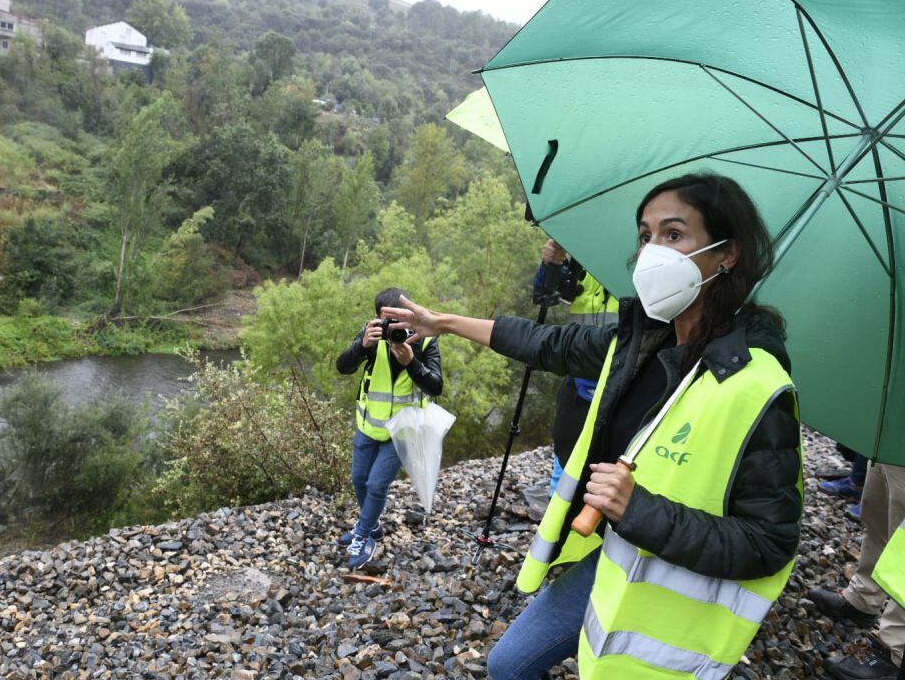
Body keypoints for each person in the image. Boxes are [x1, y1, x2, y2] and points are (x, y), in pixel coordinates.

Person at [383, 173, 803, 679]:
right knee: (508, 664)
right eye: (646, 236)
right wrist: (444, 323)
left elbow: (769, 543)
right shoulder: (640, 341)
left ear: (726, 254)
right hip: (611, 557)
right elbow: (542, 343)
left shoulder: (757, 386)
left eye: (674, 235)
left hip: (670, 605)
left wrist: (639, 509)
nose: (652, 253)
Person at [335, 287, 443, 570]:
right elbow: (342, 367)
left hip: (404, 430)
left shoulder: (426, 340)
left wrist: (412, 362)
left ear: (409, 317)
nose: (392, 328)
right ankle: (372, 524)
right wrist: (361, 347)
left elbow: (436, 387)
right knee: (359, 479)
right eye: (387, 321)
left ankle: (364, 536)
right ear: (378, 318)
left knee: (376, 484)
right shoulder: (370, 334)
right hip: (370, 425)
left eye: (398, 322)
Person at [523, 241, 619, 515]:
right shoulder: (583, 260)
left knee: (606, 462)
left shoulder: (638, 266)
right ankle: (557, 520)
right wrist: (550, 264)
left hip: (620, 382)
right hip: (579, 380)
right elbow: (543, 295)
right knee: (565, 450)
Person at [808, 461, 905, 680]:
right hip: (890, 436)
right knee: (876, 509)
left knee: (904, 539)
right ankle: (864, 597)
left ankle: (896, 648)